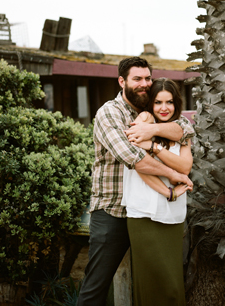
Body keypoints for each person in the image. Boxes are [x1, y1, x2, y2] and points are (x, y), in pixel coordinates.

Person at [77, 57, 194, 306]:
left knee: (154, 284)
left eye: (147, 78)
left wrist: (152, 131)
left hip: (150, 214)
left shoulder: (153, 108)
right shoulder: (110, 113)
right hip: (113, 211)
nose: (144, 84)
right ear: (122, 81)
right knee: (97, 285)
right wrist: (173, 175)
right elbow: (135, 159)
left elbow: (183, 129)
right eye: (137, 79)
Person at [122, 78, 193, 306]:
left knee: (172, 284)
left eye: (169, 102)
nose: (164, 108)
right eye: (158, 102)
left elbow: (184, 167)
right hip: (144, 212)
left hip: (172, 216)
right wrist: (168, 191)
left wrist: (153, 147)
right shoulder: (143, 120)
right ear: (150, 104)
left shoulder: (182, 128)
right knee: (151, 283)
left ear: (176, 103)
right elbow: (140, 165)